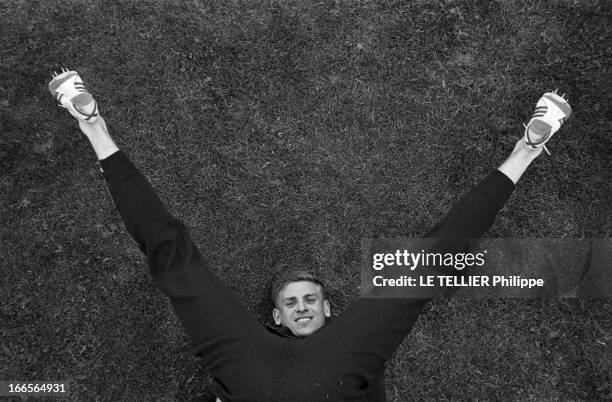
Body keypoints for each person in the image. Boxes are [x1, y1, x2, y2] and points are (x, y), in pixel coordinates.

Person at [48, 69, 571, 401]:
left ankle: (94, 126)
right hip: (314, 376)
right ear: (273, 317)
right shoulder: (342, 347)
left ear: (329, 311)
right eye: (291, 302)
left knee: (174, 259)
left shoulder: (338, 342)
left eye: (309, 299)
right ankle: (90, 123)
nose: (300, 306)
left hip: (270, 375)